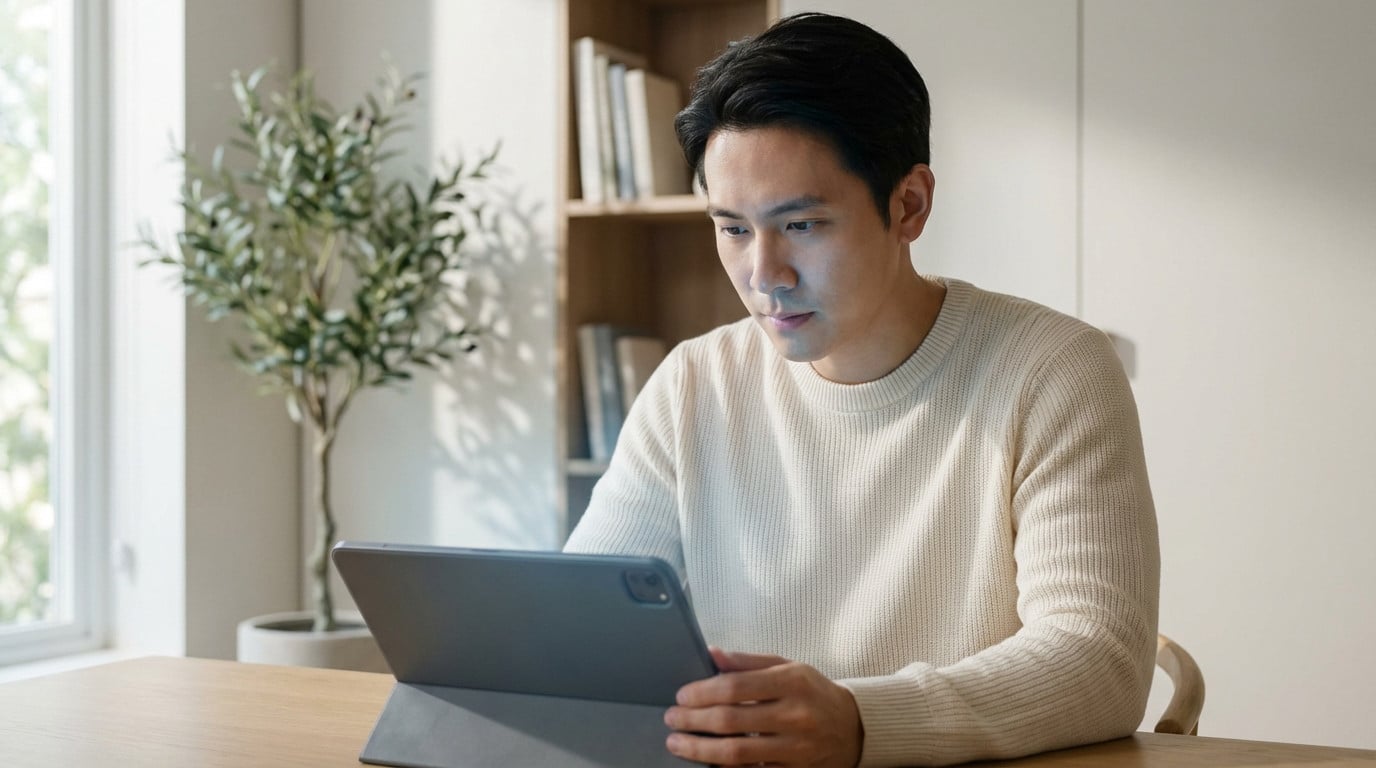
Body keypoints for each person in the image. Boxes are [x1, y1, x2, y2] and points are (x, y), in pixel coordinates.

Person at [565, 11, 1159, 768]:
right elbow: (584, 627)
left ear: (908, 205)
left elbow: (1097, 658)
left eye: (802, 225)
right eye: (733, 229)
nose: (764, 275)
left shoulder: (1051, 369)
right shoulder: (694, 383)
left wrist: (863, 721)